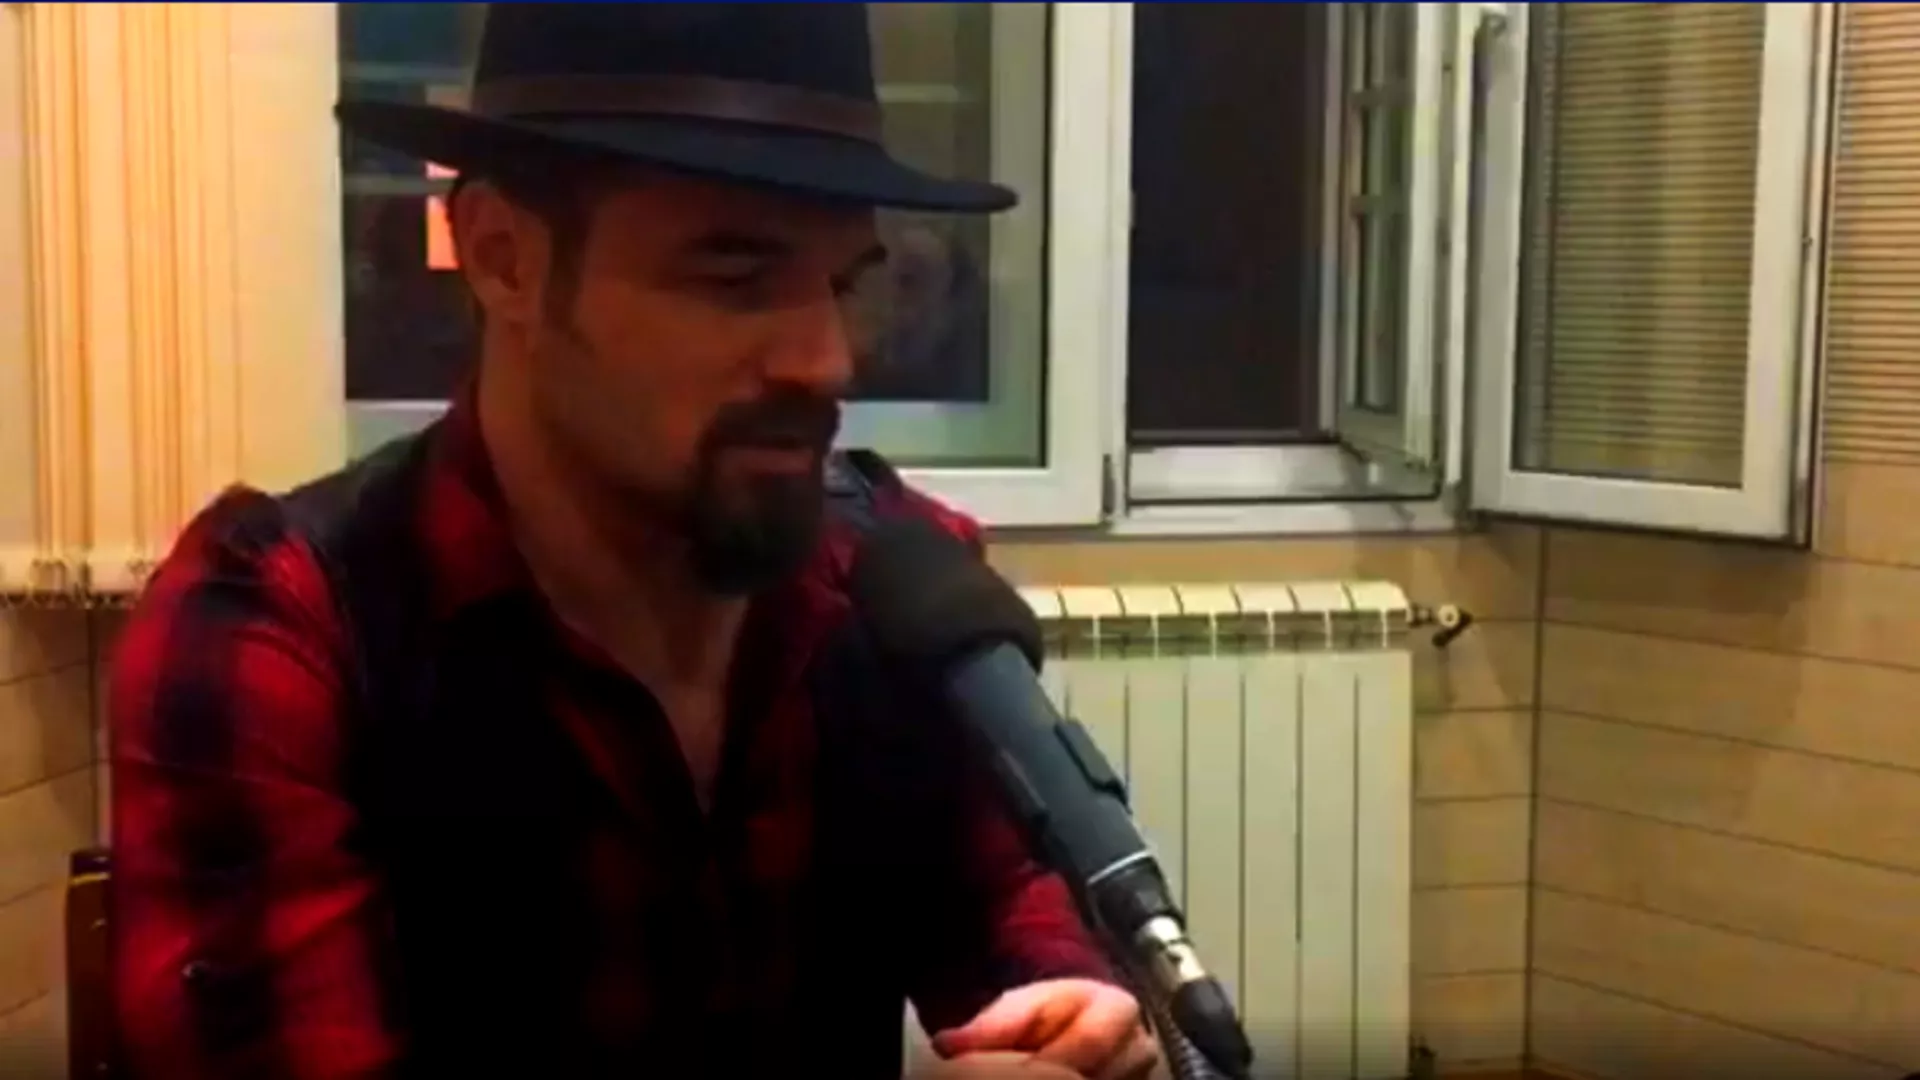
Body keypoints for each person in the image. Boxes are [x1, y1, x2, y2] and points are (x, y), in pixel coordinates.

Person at [106, 5, 1158, 1079]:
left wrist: (1074, 1019)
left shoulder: (897, 582)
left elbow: (1026, 922)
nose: (826, 360)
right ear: (504, 258)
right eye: (736, 277)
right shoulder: (281, 628)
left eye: (845, 284)